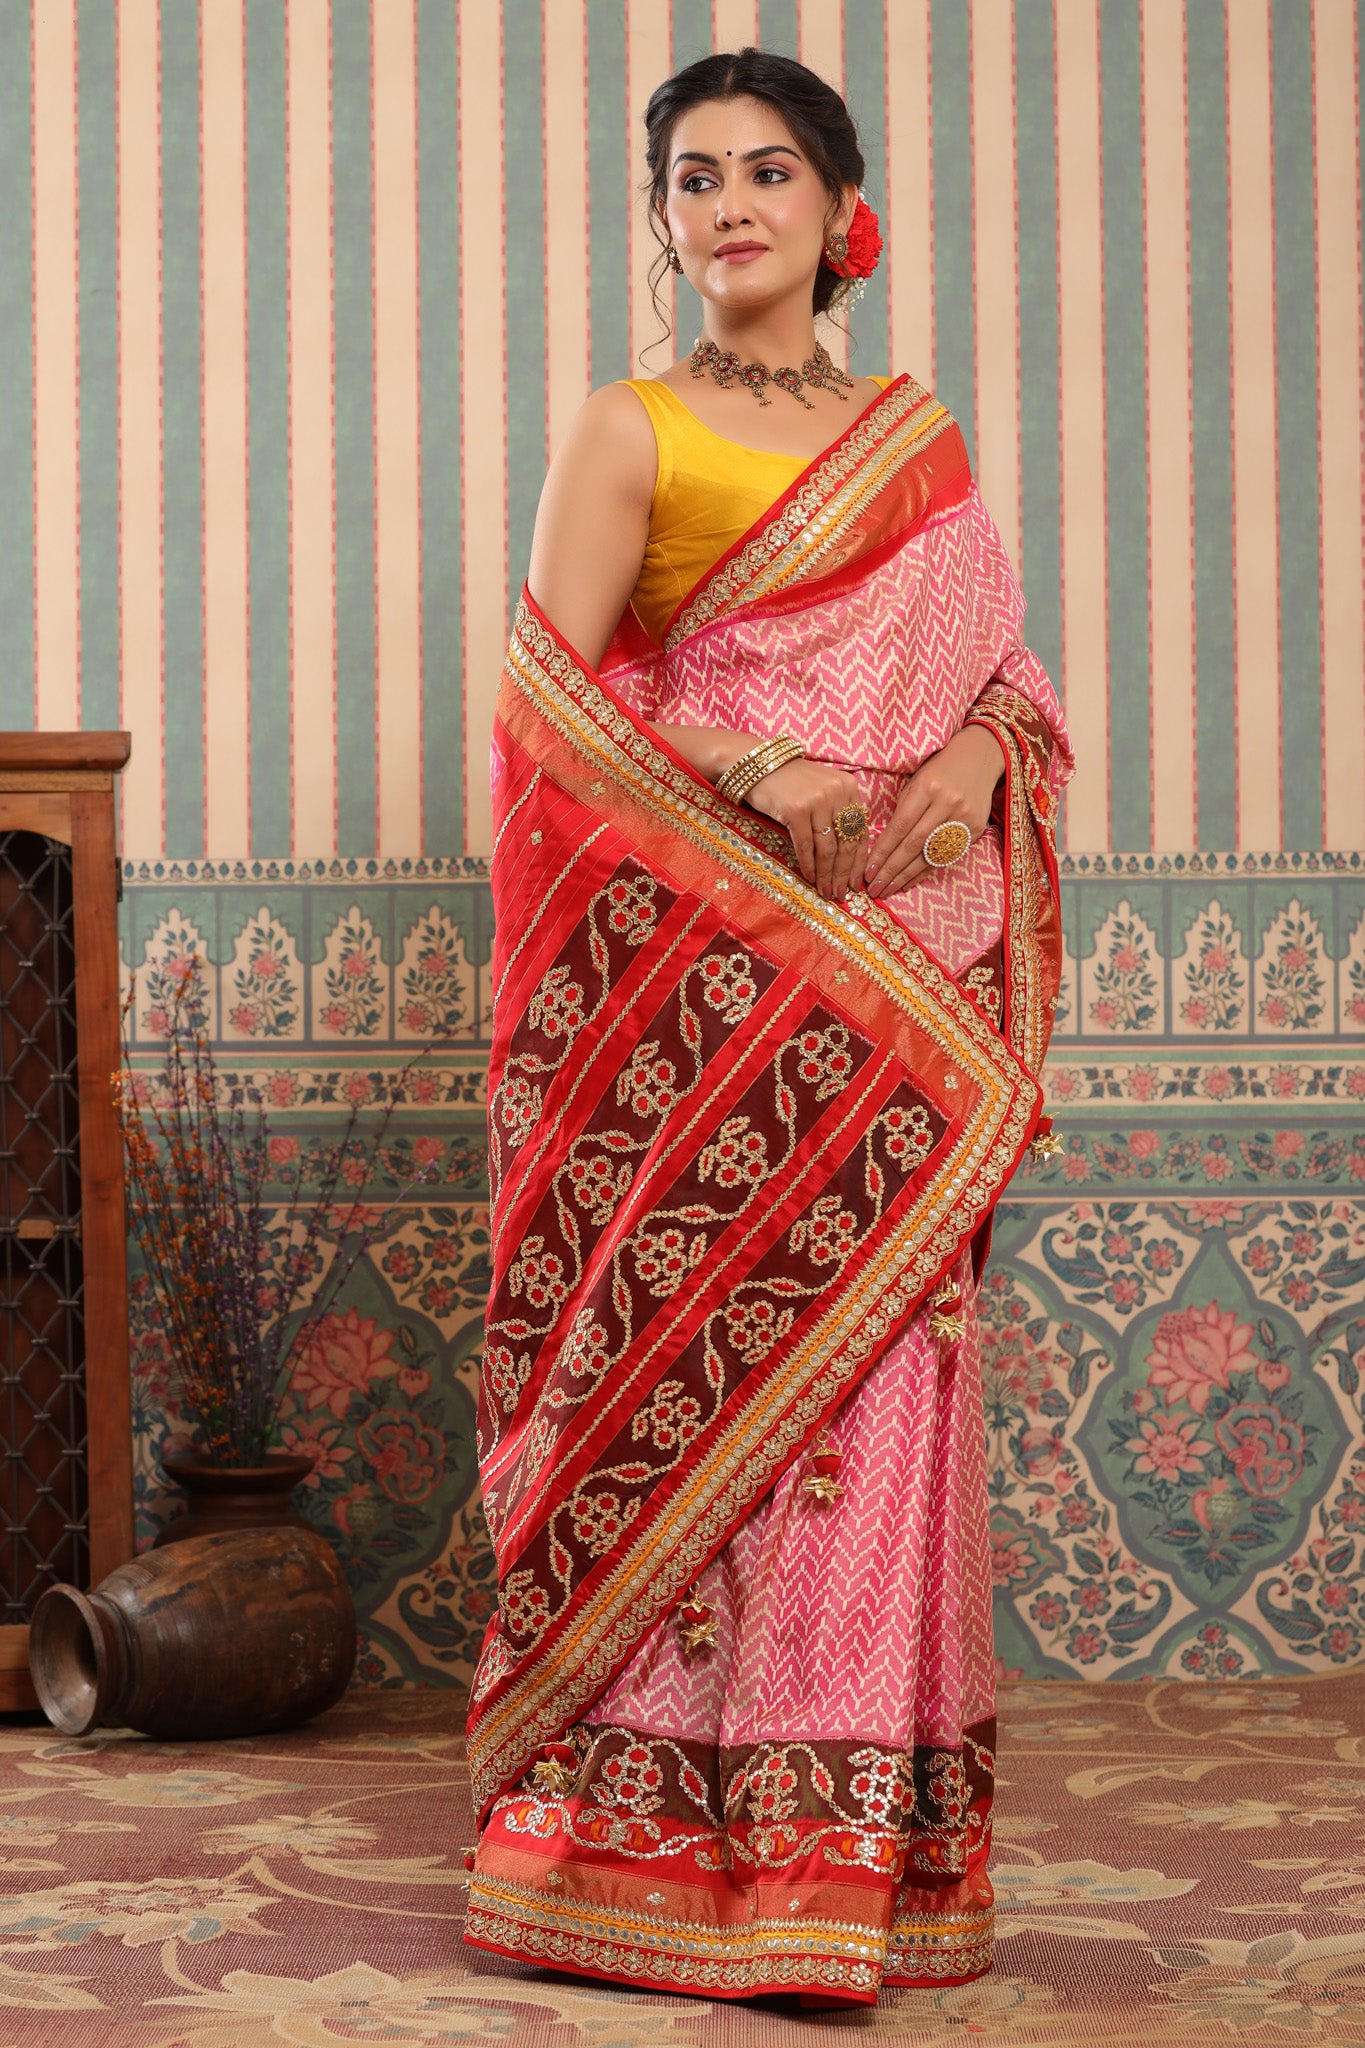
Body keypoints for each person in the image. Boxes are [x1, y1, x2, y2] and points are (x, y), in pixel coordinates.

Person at [463, 46, 1074, 2007]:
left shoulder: (916, 438)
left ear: (838, 208)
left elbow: (1003, 671)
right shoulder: (627, 427)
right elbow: (549, 709)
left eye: (767, 171)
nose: (728, 204)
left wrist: (983, 749)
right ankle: (657, 1856)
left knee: (879, 1394)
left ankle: (844, 1862)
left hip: (911, 973)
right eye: (694, 177)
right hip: (717, 993)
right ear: (662, 219)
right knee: (710, 1374)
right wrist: (751, 760)